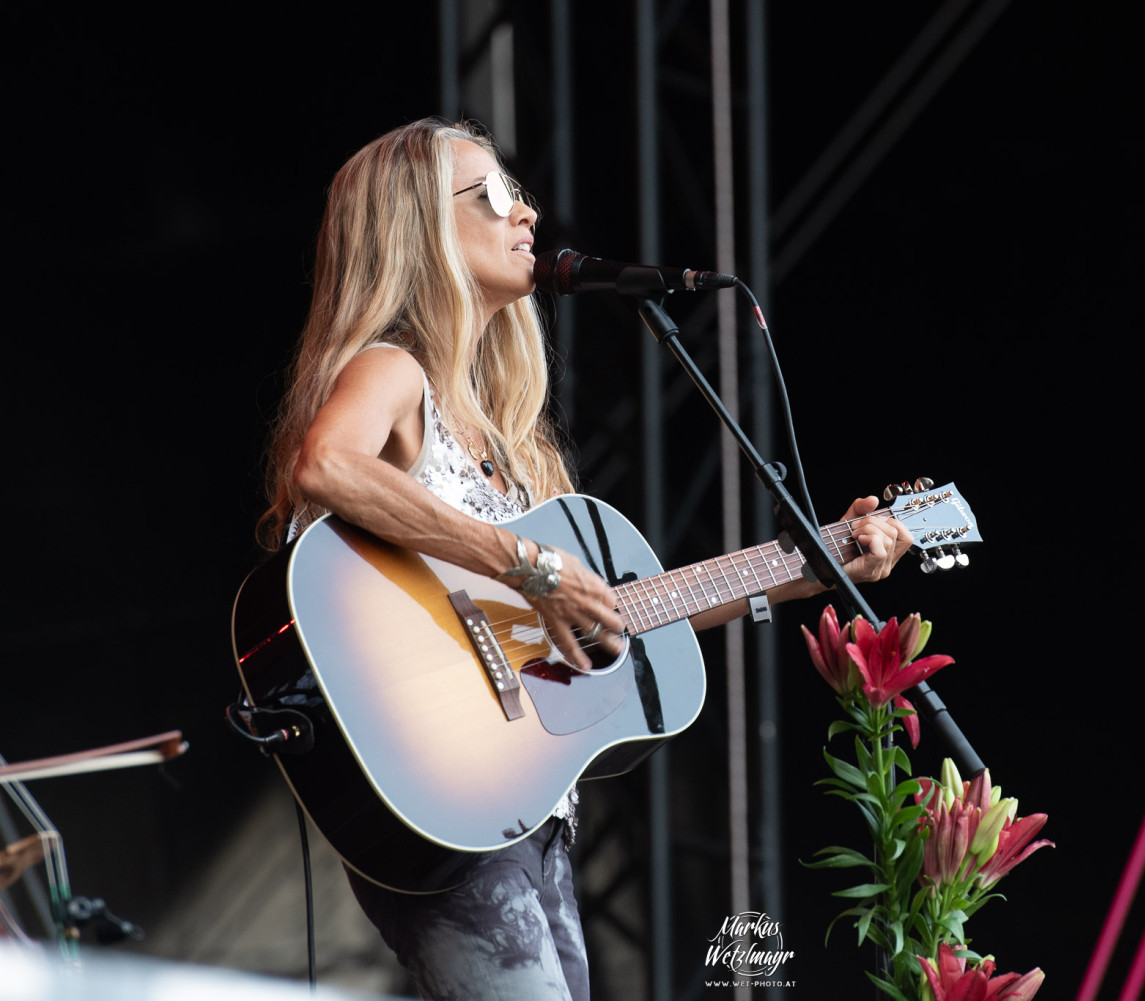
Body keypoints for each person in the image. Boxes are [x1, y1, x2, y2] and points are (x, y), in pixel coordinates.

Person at [257, 117, 912, 1001]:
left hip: (523, 809)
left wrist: (822, 564)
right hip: (443, 798)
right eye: (491, 194)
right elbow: (326, 464)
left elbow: (622, 607)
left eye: (519, 191)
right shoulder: (390, 369)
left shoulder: (513, 445)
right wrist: (526, 563)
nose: (525, 213)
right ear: (418, 227)